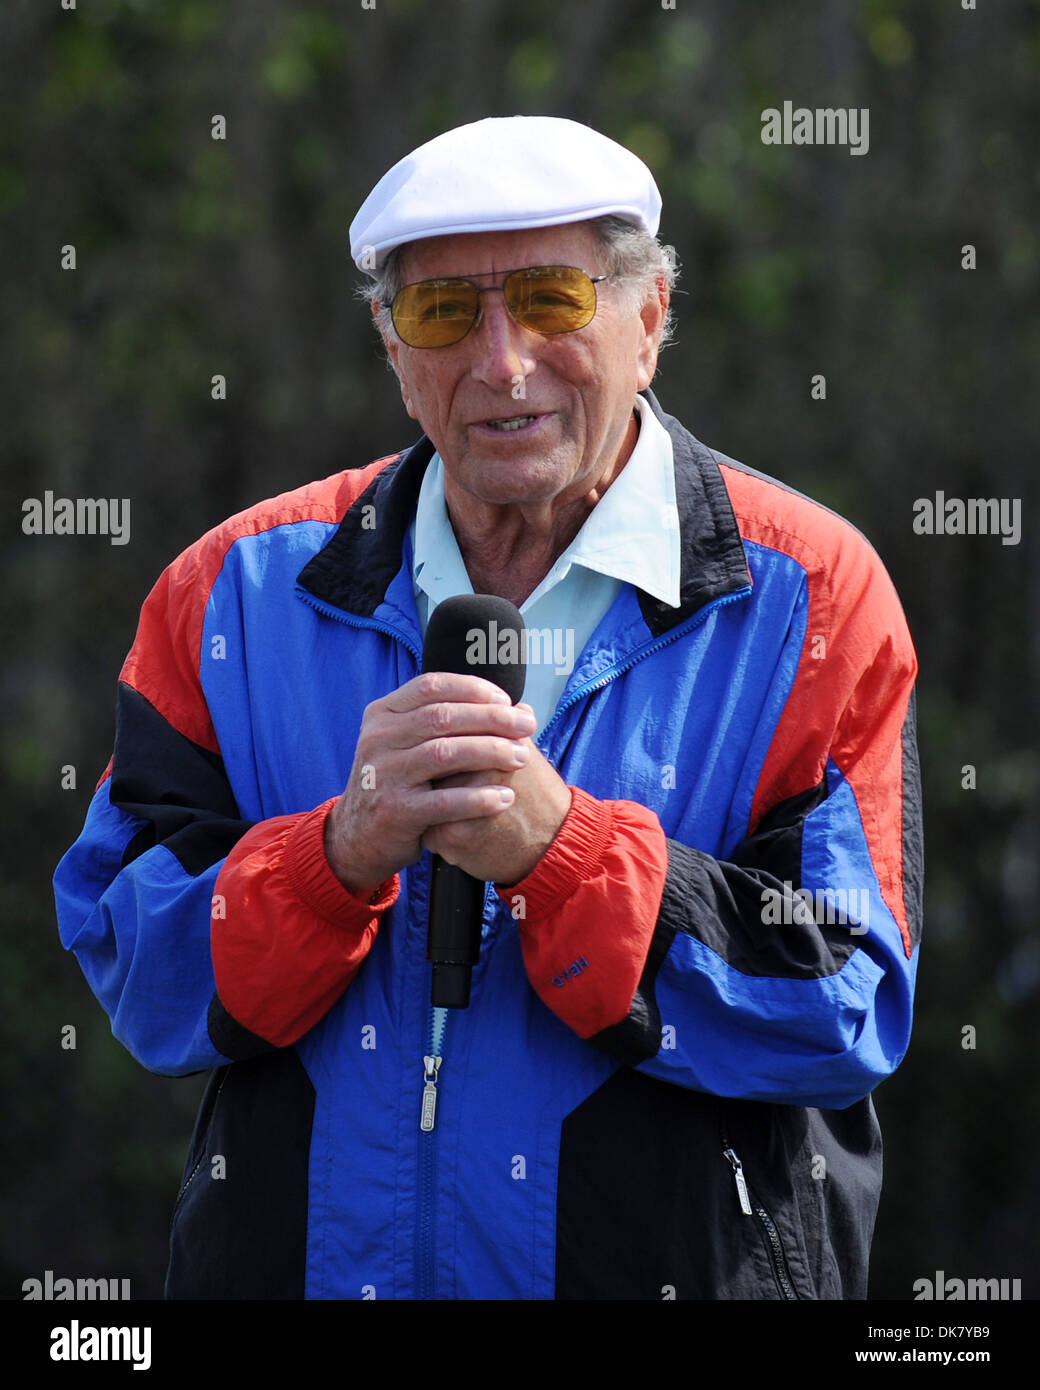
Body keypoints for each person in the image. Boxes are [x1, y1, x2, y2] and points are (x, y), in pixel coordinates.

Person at [54, 115, 922, 1300]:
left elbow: (843, 999)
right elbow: (136, 968)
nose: (502, 362)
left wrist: (566, 858)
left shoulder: (813, 595)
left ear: (650, 319)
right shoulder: (228, 593)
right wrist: (330, 857)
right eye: (444, 313)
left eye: (554, 300)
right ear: (392, 349)